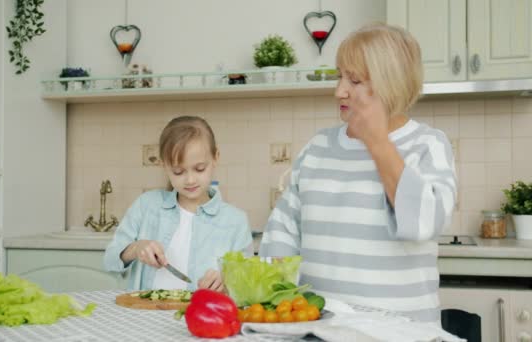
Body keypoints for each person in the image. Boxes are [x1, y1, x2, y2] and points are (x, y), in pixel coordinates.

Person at [259, 23, 457, 323]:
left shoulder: (427, 145)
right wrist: (277, 301)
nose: (339, 90)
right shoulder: (318, 147)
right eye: (340, 76)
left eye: (354, 80)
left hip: (402, 332)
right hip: (322, 328)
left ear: (390, 83)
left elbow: (423, 223)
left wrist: (377, 141)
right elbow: (282, 230)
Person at [104, 116, 252, 292]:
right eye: (178, 171)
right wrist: (136, 248)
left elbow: (246, 285)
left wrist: (226, 280)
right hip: (145, 315)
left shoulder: (235, 221)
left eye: (199, 169)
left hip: (201, 317)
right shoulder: (146, 206)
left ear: (215, 157)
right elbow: (110, 261)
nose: (190, 180)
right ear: (164, 165)